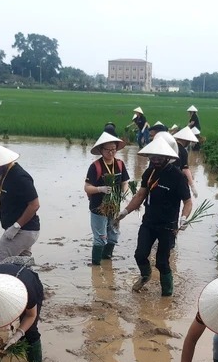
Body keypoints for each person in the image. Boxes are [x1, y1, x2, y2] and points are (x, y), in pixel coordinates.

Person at [116, 134, 192, 297]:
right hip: (149, 223)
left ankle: (167, 295)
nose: (155, 160)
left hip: (168, 226)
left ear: (167, 157)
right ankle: (145, 275)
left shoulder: (178, 177)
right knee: (140, 254)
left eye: (159, 157)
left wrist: (183, 219)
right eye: (153, 157)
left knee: (162, 262)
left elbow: (188, 202)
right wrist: (124, 212)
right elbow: (140, 195)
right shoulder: (149, 172)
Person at [0, 142, 40, 269]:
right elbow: (10, 197)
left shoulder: (19, 177)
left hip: (23, 231)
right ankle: (28, 285)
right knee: (23, 265)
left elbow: (34, 205)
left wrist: (16, 227)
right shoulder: (5, 174)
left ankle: (4, 287)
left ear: (3, 162)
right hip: (23, 230)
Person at [84, 131, 129, 265]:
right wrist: (100, 189)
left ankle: (107, 261)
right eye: (108, 150)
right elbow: (87, 187)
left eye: (113, 149)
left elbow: (124, 182)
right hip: (98, 207)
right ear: (101, 150)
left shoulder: (120, 164)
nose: (111, 152)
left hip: (114, 207)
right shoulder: (95, 166)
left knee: (113, 235)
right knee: (100, 238)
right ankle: (96, 267)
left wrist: (125, 194)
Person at [170, 126, 199, 197]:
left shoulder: (171, 146)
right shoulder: (183, 151)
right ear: (186, 140)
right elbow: (185, 169)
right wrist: (192, 186)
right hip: (174, 179)